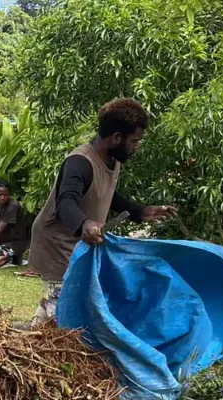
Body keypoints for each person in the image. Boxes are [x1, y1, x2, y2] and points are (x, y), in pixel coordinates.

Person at [24, 98, 177, 324]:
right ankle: (53, 341)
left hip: (78, 243)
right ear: (116, 138)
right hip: (57, 243)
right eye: (134, 141)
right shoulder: (80, 162)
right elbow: (65, 202)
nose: (136, 147)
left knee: (60, 299)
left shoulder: (112, 161)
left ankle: (37, 329)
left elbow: (105, 193)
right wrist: (85, 223)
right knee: (66, 307)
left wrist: (139, 211)